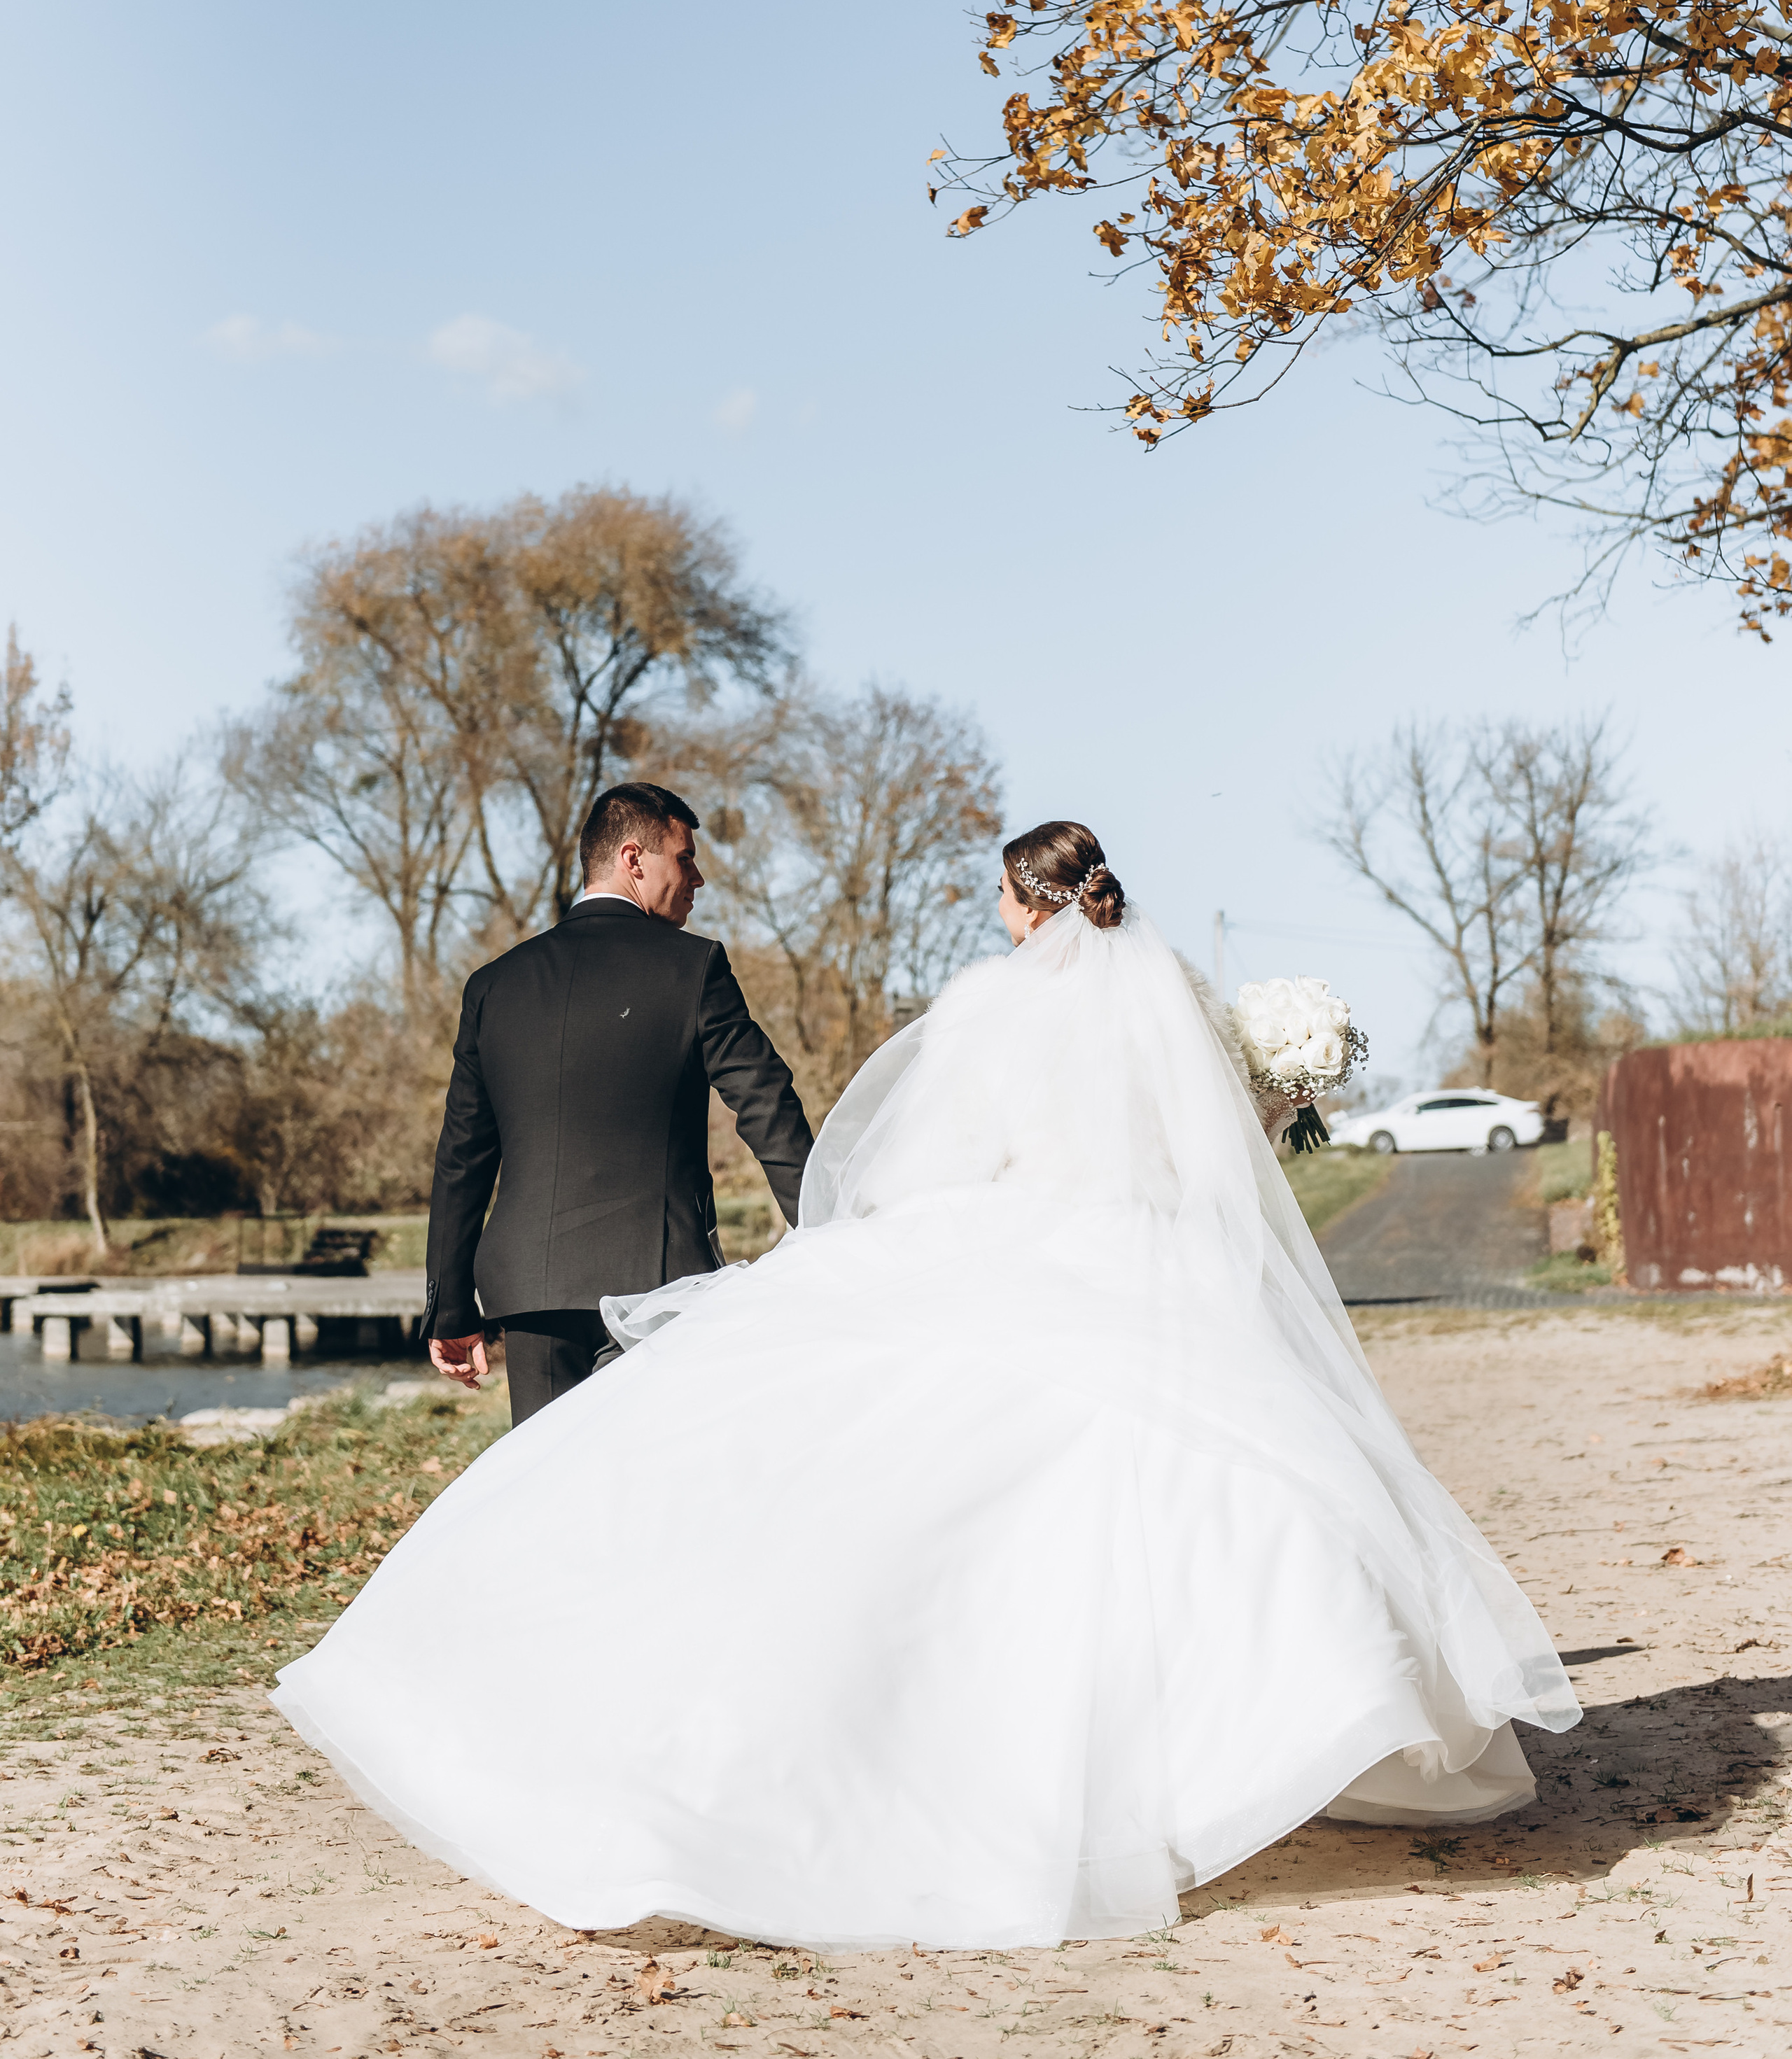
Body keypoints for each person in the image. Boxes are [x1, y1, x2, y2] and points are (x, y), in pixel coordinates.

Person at [274, 820, 1579, 1949]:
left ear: (1023, 906)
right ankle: (1263, 1740)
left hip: (1007, 1248)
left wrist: (867, 1236)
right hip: (1146, 1262)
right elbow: (1202, 1157)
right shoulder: (1167, 1002)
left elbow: (930, 1161)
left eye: (999, 900)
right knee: (1193, 1499)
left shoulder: (985, 1007)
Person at [422, 780, 813, 1426]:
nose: (699, 877)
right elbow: (766, 1105)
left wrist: (449, 1305)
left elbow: (462, 1155)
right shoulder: (694, 968)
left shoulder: (494, 985)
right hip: (659, 1281)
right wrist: (826, 1228)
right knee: (650, 1483)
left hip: (532, 1286)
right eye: (684, 858)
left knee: (550, 1482)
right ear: (635, 860)